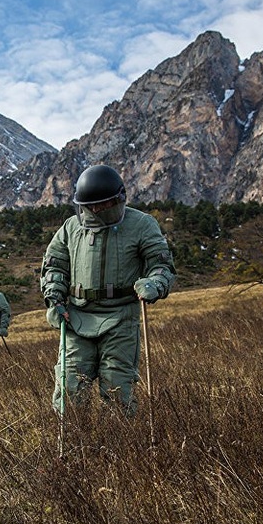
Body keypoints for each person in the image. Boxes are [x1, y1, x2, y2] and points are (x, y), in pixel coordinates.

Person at [40, 164, 175, 416]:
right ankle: (73, 449)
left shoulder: (142, 225)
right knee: (69, 389)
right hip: (76, 319)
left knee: (117, 389)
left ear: (118, 199)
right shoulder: (70, 229)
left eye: (102, 205)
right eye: (89, 206)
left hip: (121, 319)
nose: (95, 210)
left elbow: (161, 264)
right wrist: (55, 299)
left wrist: (154, 284)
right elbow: (54, 267)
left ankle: (119, 449)